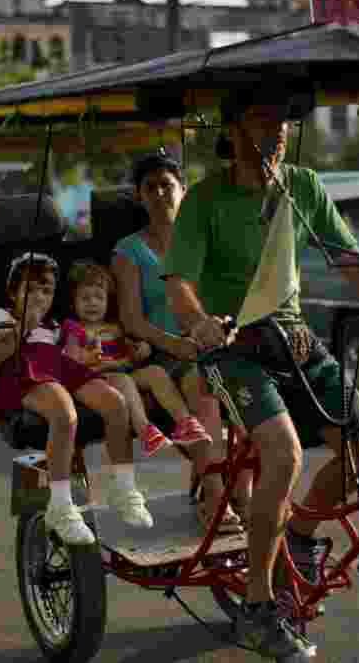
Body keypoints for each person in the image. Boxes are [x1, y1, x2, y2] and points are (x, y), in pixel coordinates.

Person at [163, 91, 359, 658]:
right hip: (234, 348)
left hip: (295, 341)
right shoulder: (205, 199)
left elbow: (353, 266)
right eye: (261, 114)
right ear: (235, 129)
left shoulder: (303, 187)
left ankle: (295, 536)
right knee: (286, 453)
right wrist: (198, 322)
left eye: (283, 121)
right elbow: (178, 283)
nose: (275, 129)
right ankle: (258, 606)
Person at [111, 152, 249, 534]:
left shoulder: (203, 243)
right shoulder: (129, 250)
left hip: (209, 346)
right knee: (203, 388)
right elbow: (132, 320)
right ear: (139, 196)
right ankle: (215, 497)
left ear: (183, 191)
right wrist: (177, 344)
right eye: (150, 187)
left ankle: (244, 492)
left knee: (253, 387)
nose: (159, 193)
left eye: (167, 185)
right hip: (159, 353)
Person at [0, 252, 154, 546]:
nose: (39, 297)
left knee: (115, 403)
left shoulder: (54, 327)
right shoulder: (3, 318)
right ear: (13, 292)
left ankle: (124, 488)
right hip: (25, 374)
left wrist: (89, 357)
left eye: (46, 291)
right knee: (64, 413)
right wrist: (21, 329)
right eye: (31, 289)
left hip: (60, 368)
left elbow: (69, 359)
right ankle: (60, 505)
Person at [60, 260, 212, 458]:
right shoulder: (74, 328)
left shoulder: (115, 327)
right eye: (85, 298)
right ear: (73, 302)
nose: (93, 303)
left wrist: (141, 351)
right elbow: (70, 360)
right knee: (123, 380)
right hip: (97, 378)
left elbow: (128, 356)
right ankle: (145, 430)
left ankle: (185, 422)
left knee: (156, 372)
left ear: (108, 300)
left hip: (124, 371)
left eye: (99, 297)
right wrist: (88, 358)